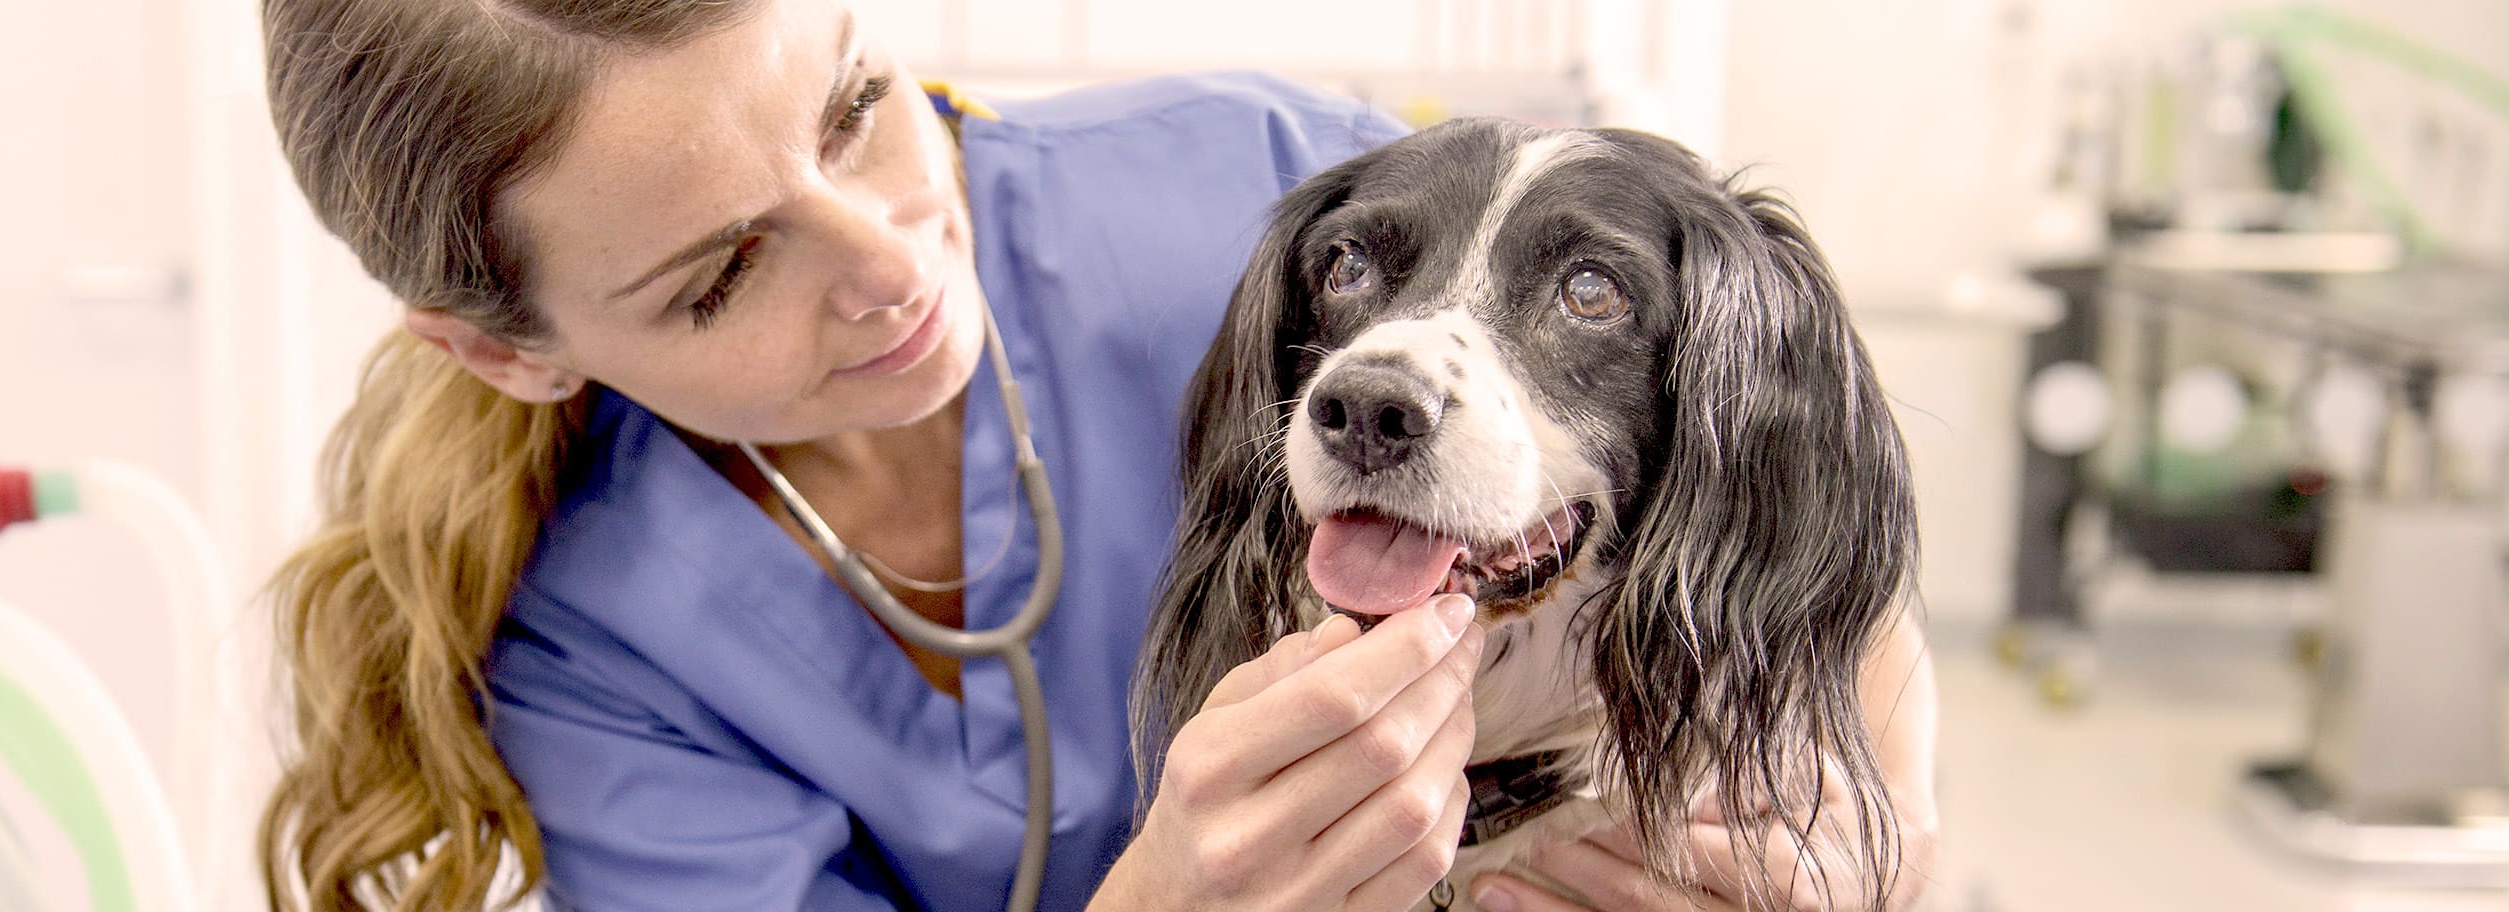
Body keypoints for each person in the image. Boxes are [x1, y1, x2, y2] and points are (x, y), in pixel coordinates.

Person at [252, 0, 1940, 910]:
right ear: (507, 349)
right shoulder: (594, 644)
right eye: (722, 272)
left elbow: (1782, 500)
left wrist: (1860, 844)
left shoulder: (1259, 190)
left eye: (854, 104)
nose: (897, 259)